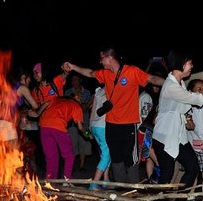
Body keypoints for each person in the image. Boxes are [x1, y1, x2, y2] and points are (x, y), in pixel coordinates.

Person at [62, 46, 165, 183]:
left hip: (129, 125)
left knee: (131, 159)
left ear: (109, 57)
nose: (100, 62)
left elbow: (152, 78)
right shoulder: (105, 73)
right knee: (116, 159)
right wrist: (73, 66)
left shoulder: (132, 71)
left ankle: (133, 188)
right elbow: (90, 73)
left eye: (101, 58)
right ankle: (121, 188)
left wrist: (172, 83)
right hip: (110, 125)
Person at [151, 49, 203, 200]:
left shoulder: (180, 83)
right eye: (189, 63)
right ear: (180, 64)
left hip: (179, 136)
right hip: (165, 136)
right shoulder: (171, 86)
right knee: (167, 174)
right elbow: (195, 99)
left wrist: (188, 119)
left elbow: (184, 106)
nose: (192, 66)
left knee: (192, 167)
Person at [65, 73, 93, 172]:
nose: (74, 82)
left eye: (76, 80)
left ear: (80, 80)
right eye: (72, 80)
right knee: (72, 143)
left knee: (83, 143)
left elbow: (85, 109)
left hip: (83, 120)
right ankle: (70, 165)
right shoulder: (68, 92)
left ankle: (81, 165)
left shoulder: (86, 92)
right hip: (71, 122)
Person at [88, 84, 111, 190]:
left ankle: (106, 180)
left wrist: (90, 126)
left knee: (105, 153)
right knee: (106, 154)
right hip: (103, 126)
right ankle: (94, 183)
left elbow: (93, 110)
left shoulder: (98, 91)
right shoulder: (112, 89)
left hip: (95, 126)